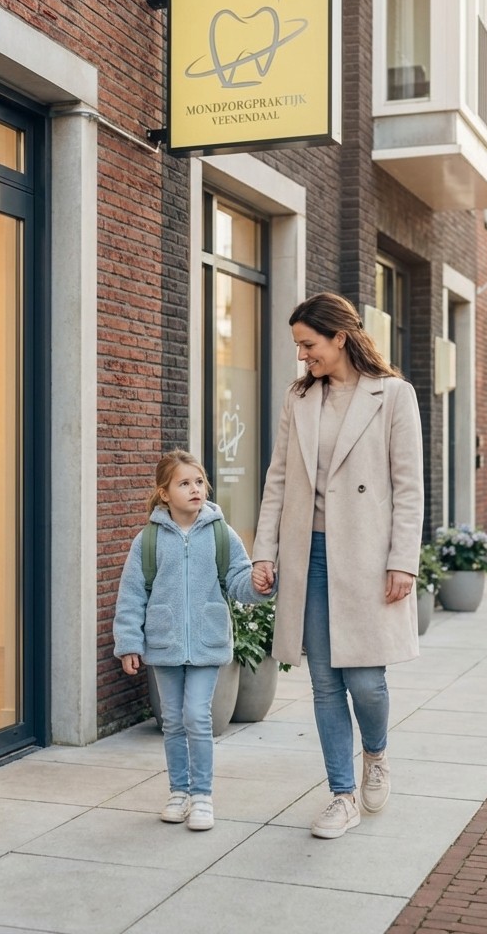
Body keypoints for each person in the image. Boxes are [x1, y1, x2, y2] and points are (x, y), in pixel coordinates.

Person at [251, 292, 424, 839]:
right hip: (311, 555)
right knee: (326, 685)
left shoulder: (394, 395)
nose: (303, 356)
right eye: (299, 347)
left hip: (369, 557)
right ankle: (341, 795)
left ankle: (375, 753)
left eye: (309, 345)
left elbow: (409, 488)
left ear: (339, 338)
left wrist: (403, 560)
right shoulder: (299, 398)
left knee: (367, 683)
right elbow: (278, 479)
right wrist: (264, 550)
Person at [114, 449, 269, 832]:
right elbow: (132, 594)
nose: (195, 489)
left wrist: (258, 585)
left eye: (199, 482)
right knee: (172, 722)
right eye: (184, 483)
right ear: (164, 493)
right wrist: (129, 642)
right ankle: (178, 792)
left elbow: (237, 580)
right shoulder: (147, 540)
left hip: (206, 641)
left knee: (198, 718)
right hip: (165, 645)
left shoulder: (220, 533)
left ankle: (202, 796)